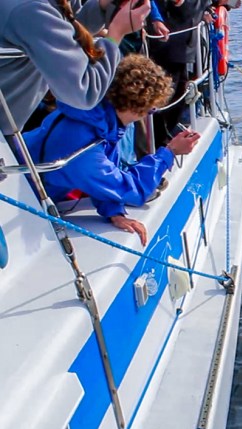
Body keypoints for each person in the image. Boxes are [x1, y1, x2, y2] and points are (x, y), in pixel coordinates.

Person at [23, 54, 201, 245]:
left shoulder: (97, 118)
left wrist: (113, 211)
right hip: (24, 202)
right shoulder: (84, 146)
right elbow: (133, 189)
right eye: (151, 110)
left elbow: (108, 172)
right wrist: (170, 152)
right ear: (138, 109)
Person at [0, 0, 151, 136]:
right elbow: (84, 92)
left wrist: (102, 7)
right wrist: (116, 33)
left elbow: (62, 28)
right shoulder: (32, 10)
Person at [148, 0, 213, 147]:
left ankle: (167, 136)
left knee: (179, 94)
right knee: (164, 98)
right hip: (167, 48)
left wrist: (208, 9)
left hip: (182, 50)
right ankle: (161, 142)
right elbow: (181, 9)